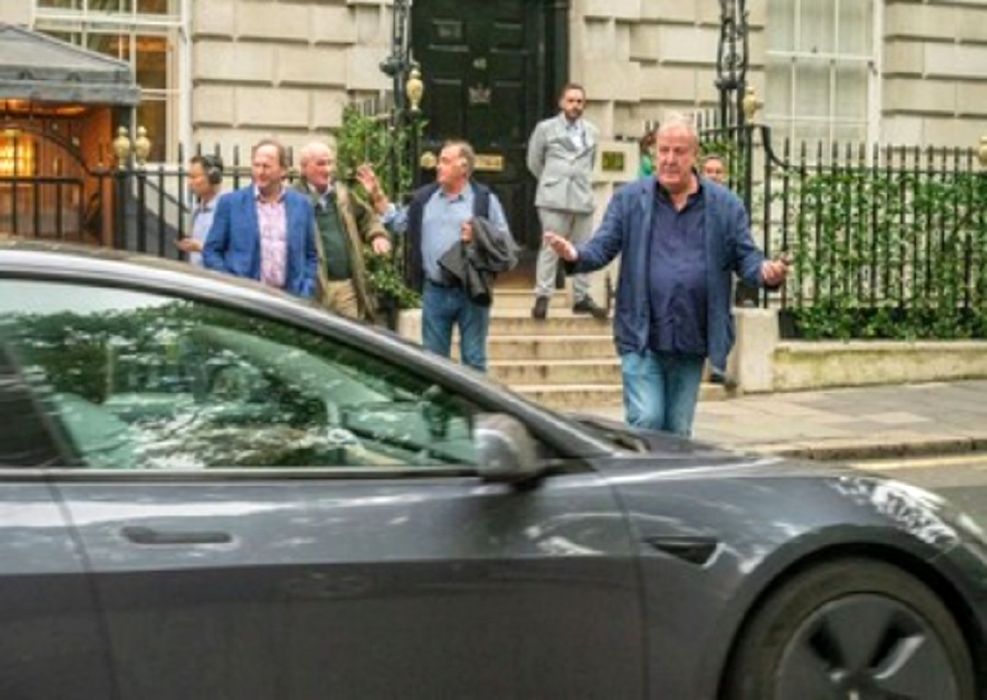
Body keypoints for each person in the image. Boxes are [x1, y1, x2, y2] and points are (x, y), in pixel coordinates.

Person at [545, 113, 789, 436]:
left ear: (694, 155)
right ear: (653, 152)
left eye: (679, 151)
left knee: (677, 431)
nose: (669, 159)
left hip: (691, 337)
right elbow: (602, 247)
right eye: (663, 150)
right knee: (647, 419)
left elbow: (746, 257)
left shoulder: (725, 206)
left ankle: (661, 471)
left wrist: (766, 272)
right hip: (641, 334)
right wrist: (575, 255)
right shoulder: (630, 200)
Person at [358, 140, 514, 373]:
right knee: (434, 363)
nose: (438, 166)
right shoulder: (425, 198)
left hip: (472, 289)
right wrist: (376, 194)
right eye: (439, 161)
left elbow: (504, 243)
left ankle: (473, 399)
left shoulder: (484, 199)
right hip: (435, 291)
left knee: (474, 360)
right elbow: (397, 221)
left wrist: (479, 236)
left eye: (445, 161)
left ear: (463, 167)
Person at [526, 83, 606, 321]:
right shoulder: (546, 128)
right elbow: (534, 162)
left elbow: (591, 162)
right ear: (562, 103)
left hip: (582, 197)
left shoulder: (592, 131)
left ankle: (581, 297)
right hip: (554, 197)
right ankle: (543, 296)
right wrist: (552, 181)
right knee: (550, 247)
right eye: (571, 101)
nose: (575, 106)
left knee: (583, 248)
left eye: (579, 101)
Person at [203, 139, 317, 298]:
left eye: (267, 166)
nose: (260, 172)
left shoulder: (302, 205)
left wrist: (306, 288)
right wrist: (230, 284)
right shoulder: (230, 204)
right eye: (256, 165)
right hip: (245, 299)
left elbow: (311, 254)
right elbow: (211, 251)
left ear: (283, 170)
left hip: (290, 299)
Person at [295, 141, 391, 321]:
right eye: (320, 164)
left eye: (330, 163)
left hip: (346, 288)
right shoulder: (294, 199)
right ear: (304, 168)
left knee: (349, 334)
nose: (327, 169)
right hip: (311, 290)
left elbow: (367, 218)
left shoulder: (342, 195)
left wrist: (377, 236)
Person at [176, 154, 225, 266]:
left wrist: (200, 247)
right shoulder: (197, 210)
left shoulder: (228, 209)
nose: (189, 183)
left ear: (214, 177)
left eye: (194, 177)